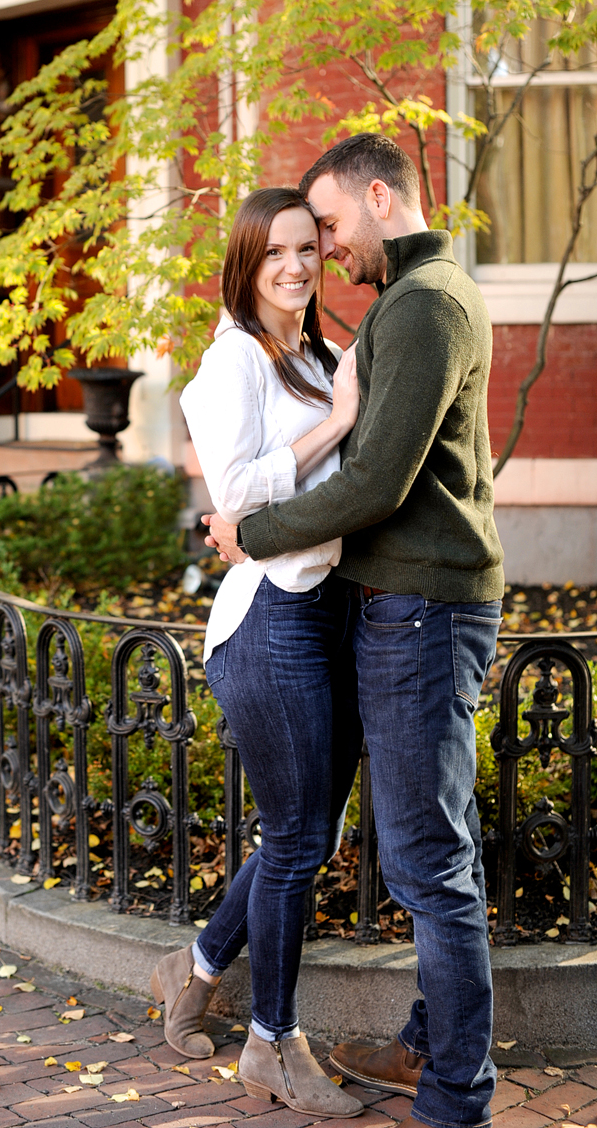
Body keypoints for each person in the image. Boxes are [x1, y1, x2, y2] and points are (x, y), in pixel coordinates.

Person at [205, 134, 505, 1128]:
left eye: (329, 227)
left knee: (426, 858)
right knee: (419, 843)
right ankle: (427, 1048)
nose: (325, 251)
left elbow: (376, 481)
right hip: (404, 605)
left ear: (382, 197)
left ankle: (455, 1093)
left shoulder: (420, 307)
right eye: (299, 240)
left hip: (421, 608)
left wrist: (247, 533)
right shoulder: (415, 301)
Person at [150, 187, 365, 1118]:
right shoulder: (230, 362)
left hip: (332, 613)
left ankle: (191, 969)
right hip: (268, 616)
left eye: (308, 249)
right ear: (246, 262)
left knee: (299, 834)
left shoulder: (323, 354)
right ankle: (273, 1044)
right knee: (300, 839)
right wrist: (339, 422)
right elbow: (235, 494)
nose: (296, 265)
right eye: (275, 251)